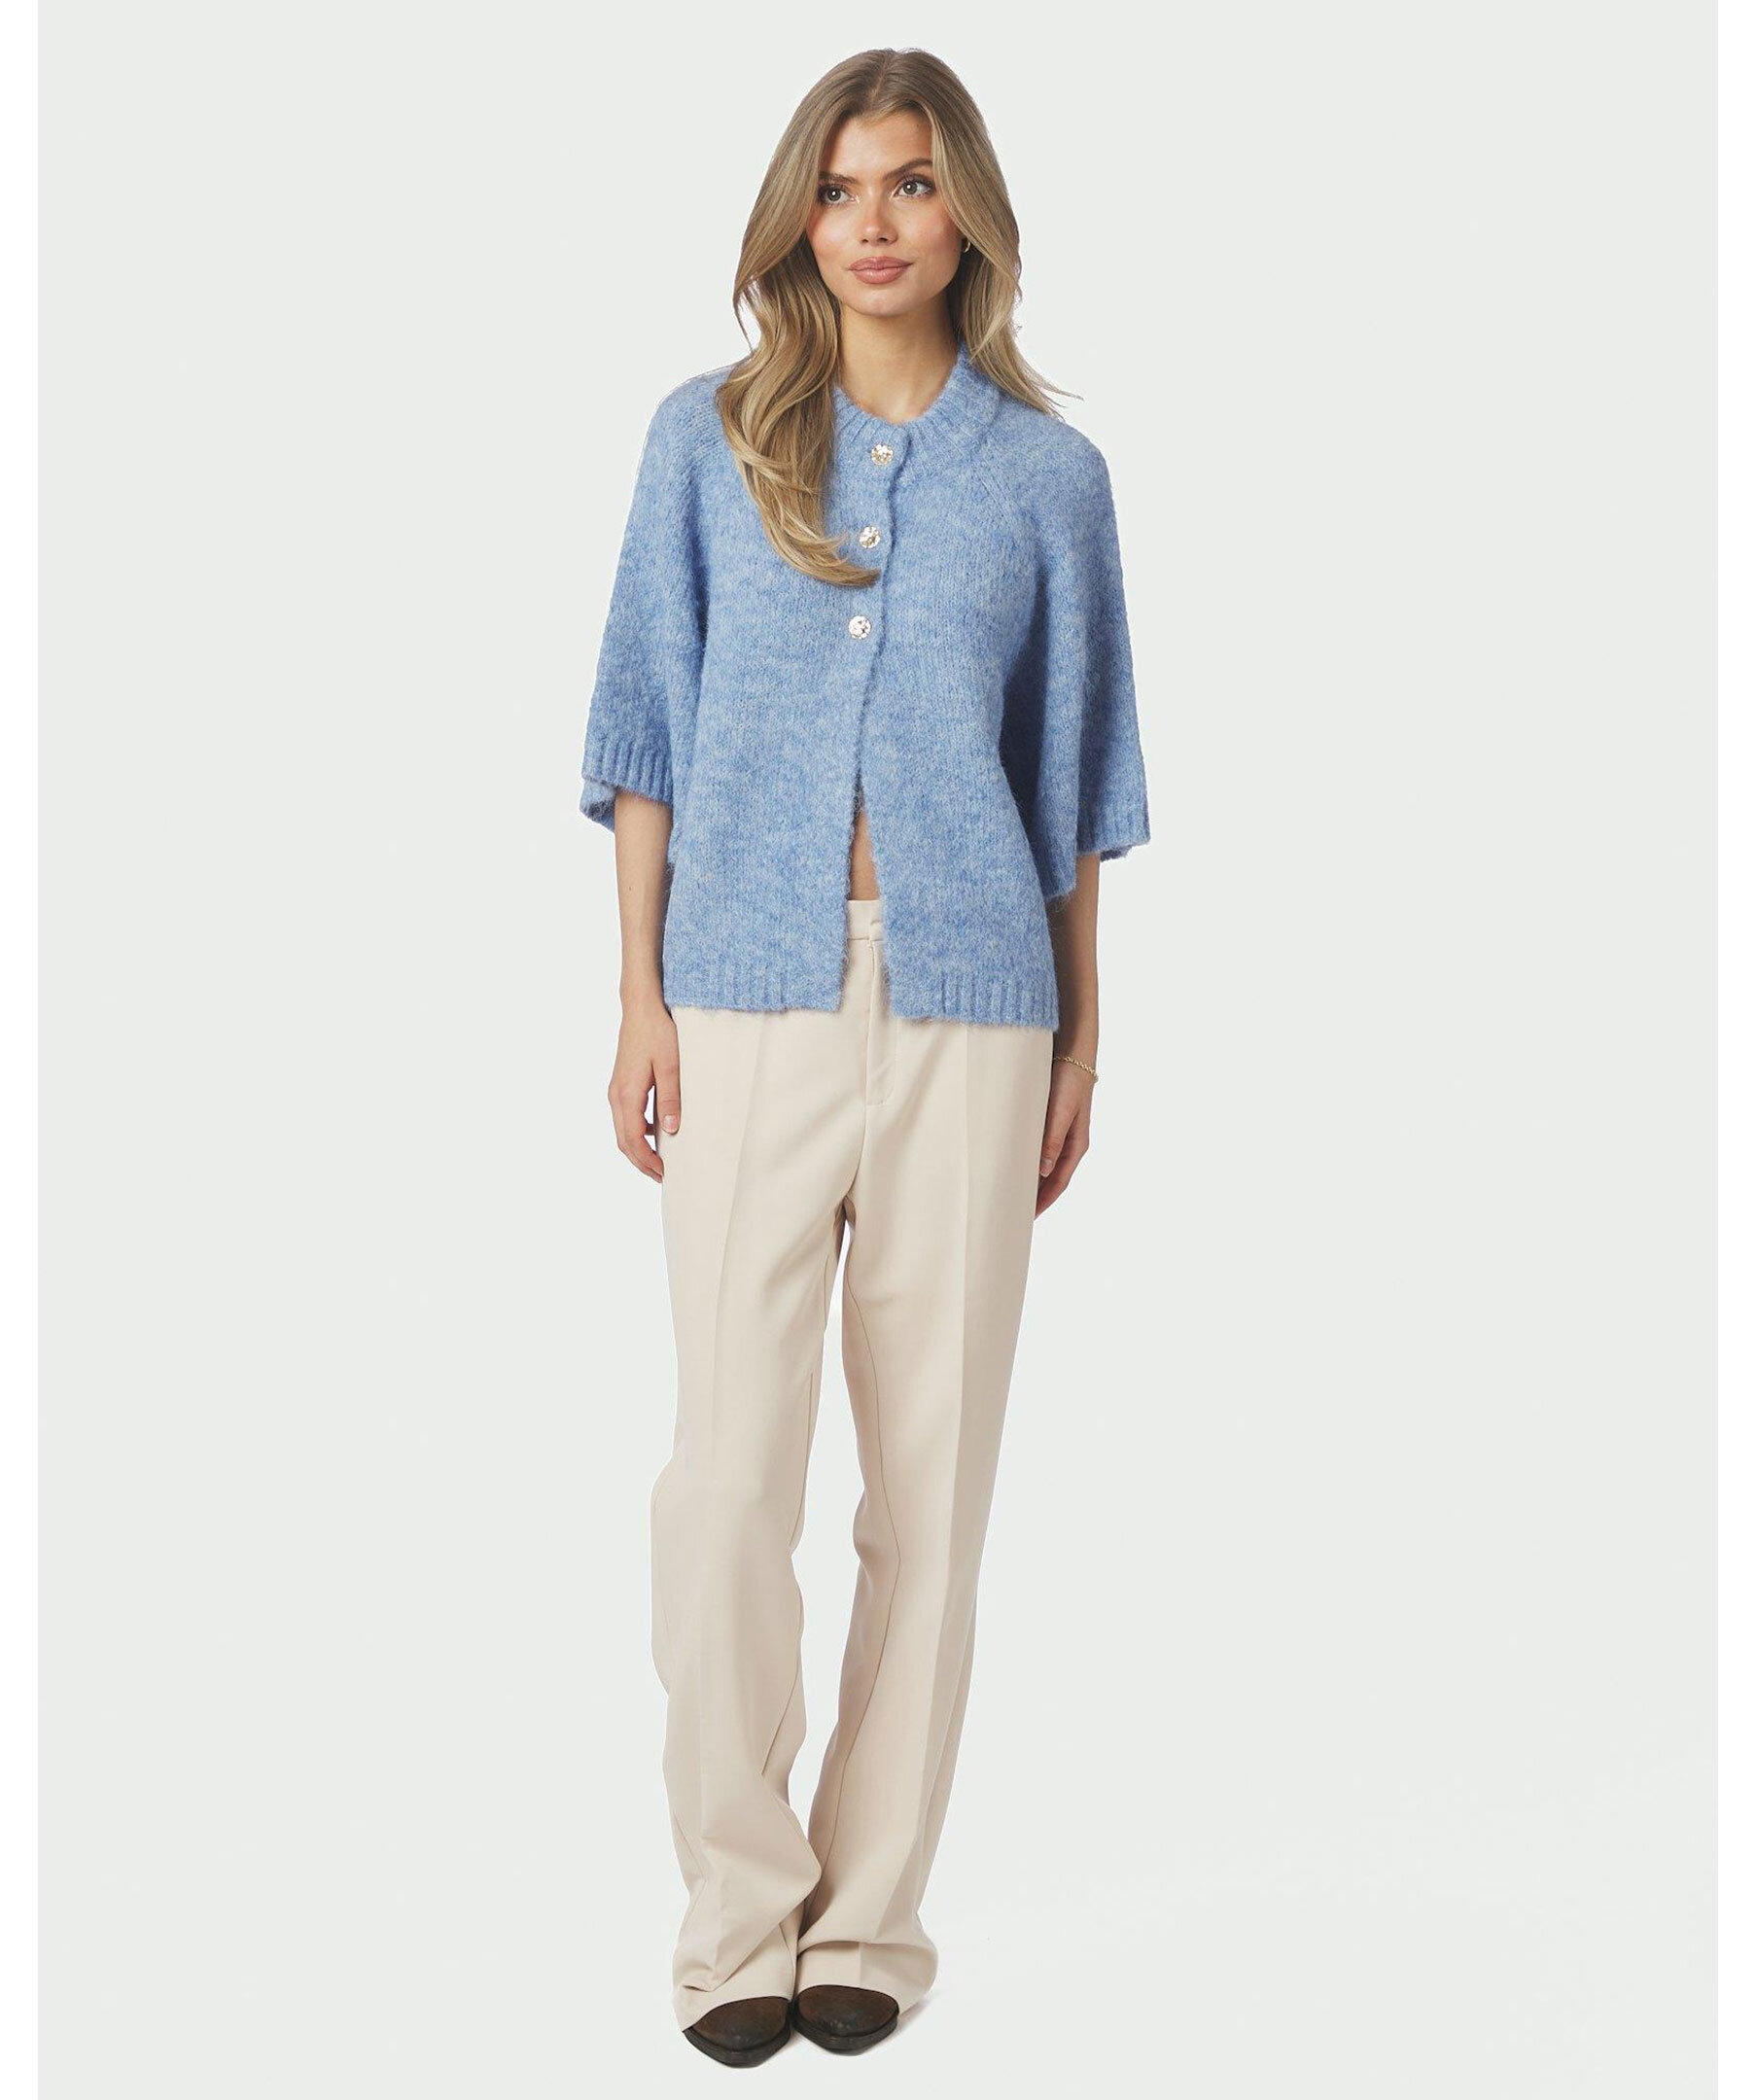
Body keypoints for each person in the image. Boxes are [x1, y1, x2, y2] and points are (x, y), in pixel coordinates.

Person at [577, 46, 1151, 2068]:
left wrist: (1083, 1040)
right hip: (741, 992)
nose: (876, 222)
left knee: (932, 1492)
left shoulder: (1049, 481)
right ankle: (737, 1916)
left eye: (910, 183)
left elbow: (1072, 787)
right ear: (795, 219)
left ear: (965, 208)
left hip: (977, 1010)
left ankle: (868, 1926)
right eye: (839, 189)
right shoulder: (708, 440)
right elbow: (643, 728)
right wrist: (637, 998)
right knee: (728, 1482)